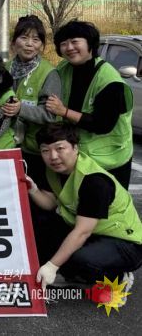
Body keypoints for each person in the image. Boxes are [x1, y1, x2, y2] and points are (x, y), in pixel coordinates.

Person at [30, 123, 142, 289]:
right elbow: (50, 203)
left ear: (75, 148)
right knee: (41, 227)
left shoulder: (94, 181)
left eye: (60, 148)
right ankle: (75, 275)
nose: (53, 156)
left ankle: (117, 277)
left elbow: (83, 232)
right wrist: (32, 190)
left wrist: (52, 266)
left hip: (125, 244)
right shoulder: (54, 171)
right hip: (93, 233)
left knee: (82, 259)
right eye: (45, 150)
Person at [45, 20, 133, 188]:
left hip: (110, 161)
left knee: (107, 203)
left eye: (75, 41)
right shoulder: (64, 68)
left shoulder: (109, 80)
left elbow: (103, 124)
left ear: (90, 43)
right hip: (78, 157)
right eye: (63, 44)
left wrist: (64, 111)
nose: (69, 47)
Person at [0, 15, 61, 180]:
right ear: (13, 42)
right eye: (24, 37)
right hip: (6, 146)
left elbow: (50, 115)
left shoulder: (49, 73)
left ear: (41, 45)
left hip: (34, 151)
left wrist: (21, 109)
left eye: (36, 39)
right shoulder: (4, 69)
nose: (29, 44)